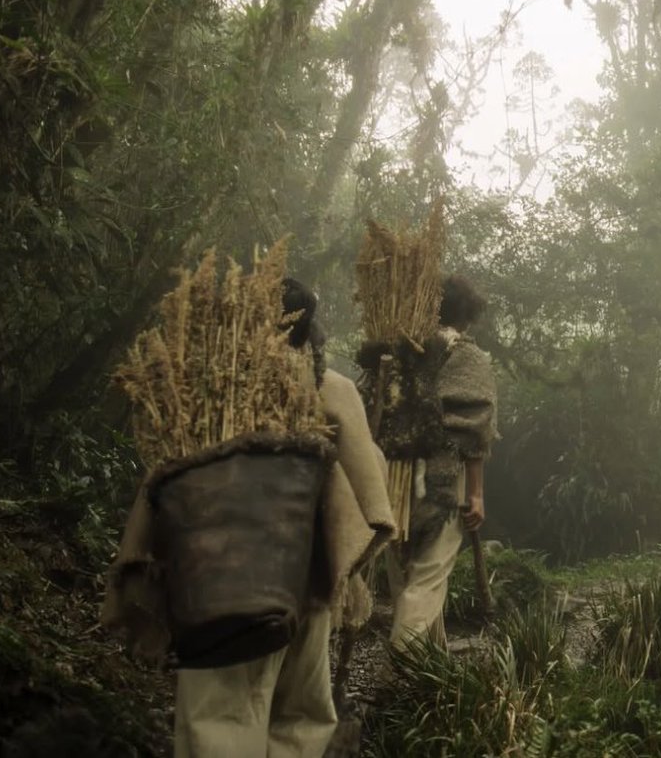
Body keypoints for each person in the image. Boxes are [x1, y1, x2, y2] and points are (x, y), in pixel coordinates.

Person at [102, 279, 393, 758]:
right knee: (301, 716)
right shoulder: (331, 388)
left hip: (220, 586)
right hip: (308, 588)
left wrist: (144, 579)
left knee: (221, 715)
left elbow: (163, 490)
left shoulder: (200, 392)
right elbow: (370, 497)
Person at [387, 274, 499, 650]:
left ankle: (430, 671)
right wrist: (477, 494)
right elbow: (474, 431)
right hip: (441, 478)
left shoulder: (402, 351)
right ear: (467, 315)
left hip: (394, 476)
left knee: (405, 572)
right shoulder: (467, 357)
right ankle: (398, 676)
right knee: (428, 578)